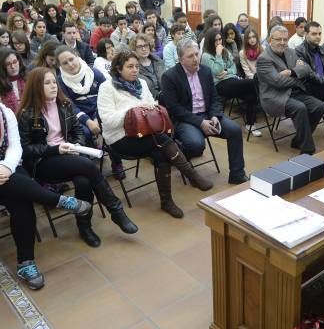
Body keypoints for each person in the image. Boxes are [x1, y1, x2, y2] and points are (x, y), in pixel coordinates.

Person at [0, 65, 92, 290]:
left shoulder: (3, 111)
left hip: (6, 169)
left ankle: (26, 262)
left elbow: (15, 148)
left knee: (19, 199)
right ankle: (57, 201)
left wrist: (5, 166)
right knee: (18, 187)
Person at [18, 68, 138, 247]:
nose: (53, 86)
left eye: (53, 82)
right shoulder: (26, 114)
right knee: (88, 167)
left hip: (70, 156)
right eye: (47, 83)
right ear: (36, 87)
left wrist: (75, 145)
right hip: (43, 162)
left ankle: (85, 227)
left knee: (83, 181)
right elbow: (26, 150)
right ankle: (116, 210)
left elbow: (78, 131)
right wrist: (55, 150)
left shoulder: (64, 105)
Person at [98, 51, 213, 218]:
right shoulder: (107, 87)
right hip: (120, 138)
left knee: (162, 153)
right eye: (130, 67)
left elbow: (152, 103)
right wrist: (132, 112)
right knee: (162, 140)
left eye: (137, 66)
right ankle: (191, 175)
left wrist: (152, 108)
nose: (135, 70)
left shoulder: (142, 84)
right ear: (118, 69)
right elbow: (107, 121)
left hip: (146, 133)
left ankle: (167, 201)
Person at [160, 39, 249, 184]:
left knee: (235, 130)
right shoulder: (170, 77)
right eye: (190, 56)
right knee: (196, 145)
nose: (196, 59)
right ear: (181, 59)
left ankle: (237, 174)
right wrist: (200, 122)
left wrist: (214, 115)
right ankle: (178, 157)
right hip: (186, 119)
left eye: (197, 54)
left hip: (208, 114)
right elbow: (174, 109)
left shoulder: (205, 71)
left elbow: (214, 97)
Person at [55, 46, 126, 179]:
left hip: (100, 111)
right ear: (60, 66)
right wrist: (88, 121)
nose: (70, 64)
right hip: (78, 117)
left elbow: (107, 97)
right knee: (84, 133)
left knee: (109, 127)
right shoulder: (60, 82)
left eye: (71, 59)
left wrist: (96, 118)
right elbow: (70, 106)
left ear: (77, 56)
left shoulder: (94, 73)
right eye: (65, 63)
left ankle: (116, 162)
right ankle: (89, 167)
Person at [256, 25, 324, 154]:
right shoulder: (264, 59)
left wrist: (291, 72)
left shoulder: (290, 51)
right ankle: (307, 150)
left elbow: (307, 68)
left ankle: (299, 139)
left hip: (293, 92)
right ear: (270, 40)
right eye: (278, 39)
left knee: (319, 106)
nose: (282, 43)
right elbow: (278, 82)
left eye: (285, 39)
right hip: (274, 97)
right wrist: (298, 75)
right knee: (300, 108)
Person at [200, 28, 260, 137]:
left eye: (220, 39)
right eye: (215, 40)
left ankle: (250, 124)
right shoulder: (206, 56)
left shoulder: (225, 51)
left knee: (251, 95)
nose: (219, 43)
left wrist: (226, 71)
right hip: (218, 85)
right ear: (210, 42)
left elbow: (233, 69)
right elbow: (217, 71)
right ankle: (263, 91)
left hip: (231, 80)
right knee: (252, 84)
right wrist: (218, 55)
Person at [0, 47, 26, 113]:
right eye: (8, 64)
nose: (13, 67)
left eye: (15, 62)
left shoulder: (27, 78)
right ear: (0, 67)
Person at [131, 34, 166, 99]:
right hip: (149, 101)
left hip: (166, 97)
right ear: (134, 49)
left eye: (146, 45)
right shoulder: (133, 68)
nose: (144, 49)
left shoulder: (158, 61)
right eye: (140, 46)